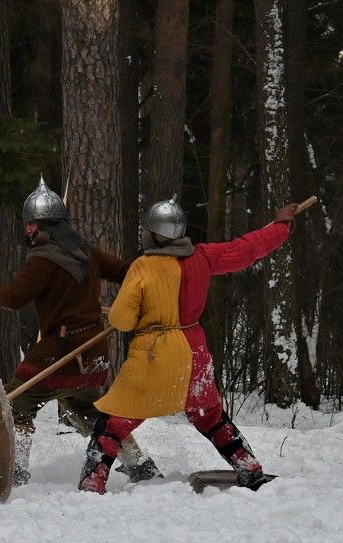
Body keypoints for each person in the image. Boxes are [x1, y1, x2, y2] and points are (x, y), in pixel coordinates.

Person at [78, 197, 298, 493]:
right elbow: (246, 248)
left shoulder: (143, 267)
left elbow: (121, 320)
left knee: (112, 422)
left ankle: (93, 483)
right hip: (194, 352)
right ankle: (249, 467)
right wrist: (282, 226)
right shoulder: (204, 256)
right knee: (210, 417)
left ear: (154, 234)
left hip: (154, 356)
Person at [0, 176, 159, 486]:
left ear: (45, 226)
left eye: (31, 225)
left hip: (61, 352)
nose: (27, 231)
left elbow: (14, 298)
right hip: (93, 352)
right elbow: (127, 272)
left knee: (15, 402)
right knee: (87, 411)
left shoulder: (43, 261)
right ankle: (139, 463)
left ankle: (16, 469)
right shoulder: (86, 252)